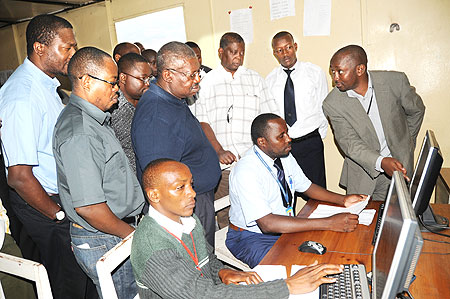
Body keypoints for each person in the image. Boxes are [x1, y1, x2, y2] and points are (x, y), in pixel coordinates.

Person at [131, 158, 345, 298]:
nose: (192, 193)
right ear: (154, 195)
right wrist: (286, 287)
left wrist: (223, 272)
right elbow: (202, 295)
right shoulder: (154, 248)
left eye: (191, 185)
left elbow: (208, 260)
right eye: (180, 188)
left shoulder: (186, 219)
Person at [0, 14, 96, 299]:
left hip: (59, 198)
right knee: (67, 282)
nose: (73, 54)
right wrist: (58, 214)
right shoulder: (22, 96)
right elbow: (18, 176)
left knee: (81, 278)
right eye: (66, 48)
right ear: (40, 48)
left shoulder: (47, 84)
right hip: (44, 203)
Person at [53, 46, 145, 298]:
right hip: (105, 237)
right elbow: (89, 207)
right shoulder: (80, 131)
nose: (117, 88)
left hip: (112, 233)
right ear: (85, 81)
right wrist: (132, 236)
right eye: (112, 82)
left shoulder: (95, 120)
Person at [226, 113, 366, 268]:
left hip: (281, 228)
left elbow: (307, 187)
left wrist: (343, 200)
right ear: (262, 142)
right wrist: (329, 223)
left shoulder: (283, 155)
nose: (288, 139)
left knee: (331, 248)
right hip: (251, 237)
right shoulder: (246, 171)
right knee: (294, 268)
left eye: (286, 132)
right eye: (281, 136)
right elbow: (267, 224)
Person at [131, 41, 221, 247]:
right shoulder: (155, 114)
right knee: (197, 267)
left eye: (198, 73)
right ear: (168, 75)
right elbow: (160, 179)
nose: (197, 80)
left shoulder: (173, 98)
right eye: (190, 75)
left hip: (194, 201)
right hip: (183, 209)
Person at [323, 45, 425, 201]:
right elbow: (350, 143)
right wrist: (381, 162)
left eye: (340, 71)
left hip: (399, 169)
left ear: (360, 69)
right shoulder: (332, 103)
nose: (335, 78)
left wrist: (406, 142)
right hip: (362, 176)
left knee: (398, 220)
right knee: (364, 223)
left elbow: (416, 110)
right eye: (333, 72)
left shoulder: (395, 82)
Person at [196, 32, 279, 165]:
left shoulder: (255, 80)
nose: (238, 58)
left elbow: (271, 118)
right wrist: (219, 151)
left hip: (254, 161)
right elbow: (202, 122)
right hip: (222, 163)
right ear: (221, 52)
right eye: (233, 52)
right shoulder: (206, 83)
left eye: (241, 53)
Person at [266, 31, 328, 200]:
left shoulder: (315, 72)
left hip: (310, 143)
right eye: (279, 50)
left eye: (288, 48)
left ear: (295, 47)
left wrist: (317, 137)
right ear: (274, 53)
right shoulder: (270, 81)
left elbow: (324, 108)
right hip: (284, 147)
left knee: (317, 196)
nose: (285, 53)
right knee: (286, 197)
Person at [111, 52, 151, 173]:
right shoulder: (115, 109)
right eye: (143, 79)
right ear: (123, 78)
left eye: (149, 78)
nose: (148, 84)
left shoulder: (147, 101)